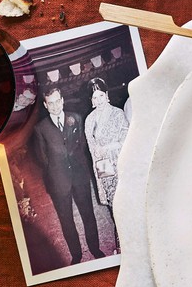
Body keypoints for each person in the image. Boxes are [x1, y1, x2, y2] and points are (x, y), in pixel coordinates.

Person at [33, 87, 105, 265]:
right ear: (45, 105)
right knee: (66, 220)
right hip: (59, 183)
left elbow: (82, 148)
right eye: (51, 103)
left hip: (80, 177)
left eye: (58, 101)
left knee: (88, 214)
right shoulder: (40, 129)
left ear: (63, 100)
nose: (55, 106)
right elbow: (42, 159)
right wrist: (57, 171)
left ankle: (95, 249)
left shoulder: (77, 118)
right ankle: (76, 255)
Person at [84, 78, 128, 252]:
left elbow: (126, 140)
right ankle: (122, 244)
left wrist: (108, 148)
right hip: (105, 169)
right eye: (94, 98)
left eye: (101, 96)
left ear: (107, 95)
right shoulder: (89, 120)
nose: (98, 100)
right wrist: (100, 180)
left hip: (123, 164)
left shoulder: (118, 114)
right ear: (91, 101)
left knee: (126, 203)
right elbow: (93, 152)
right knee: (114, 206)